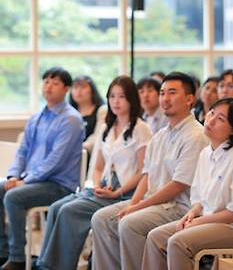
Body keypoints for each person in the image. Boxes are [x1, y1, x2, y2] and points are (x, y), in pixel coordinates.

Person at [91, 72, 207, 270]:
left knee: (130, 224)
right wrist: (134, 203)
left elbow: (178, 185)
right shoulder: (161, 135)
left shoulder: (195, 135)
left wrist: (136, 208)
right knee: (102, 219)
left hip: (180, 207)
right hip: (154, 202)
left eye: (172, 93)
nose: (165, 98)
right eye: (162, 93)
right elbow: (147, 175)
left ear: (189, 99)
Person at [36, 75, 151, 270]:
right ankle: (46, 264)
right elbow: (98, 166)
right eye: (112, 96)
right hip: (103, 188)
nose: (115, 101)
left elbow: (142, 171)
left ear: (131, 99)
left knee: (68, 211)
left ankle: (59, 266)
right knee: (56, 207)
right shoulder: (107, 127)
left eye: (121, 97)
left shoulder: (141, 129)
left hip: (125, 192)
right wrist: (97, 185)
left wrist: (117, 191)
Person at [0, 67, 84, 270]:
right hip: (31, 181)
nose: (49, 86)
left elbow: (56, 160)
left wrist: (24, 182)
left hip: (58, 185)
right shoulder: (36, 117)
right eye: (46, 82)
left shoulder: (71, 119)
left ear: (66, 89)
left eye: (55, 83)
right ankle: (2, 253)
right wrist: (13, 175)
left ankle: (17, 259)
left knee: (13, 196)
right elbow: (23, 151)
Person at [142, 98, 233, 270]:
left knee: (178, 242)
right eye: (212, 113)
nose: (211, 120)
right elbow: (199, 198)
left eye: (221, 119)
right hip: (210, 220)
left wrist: (200, 222)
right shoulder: (206, 153)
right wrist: (191, 214)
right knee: (156, 237)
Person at [69, 75, 107, 161]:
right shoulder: (68, 113)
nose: (78, 91)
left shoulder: (102, 111)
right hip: (70, 157)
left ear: (92, 90)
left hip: (92, 157)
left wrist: (80, 147)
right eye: (75, 87)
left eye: (83, 87)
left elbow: (97, 136)